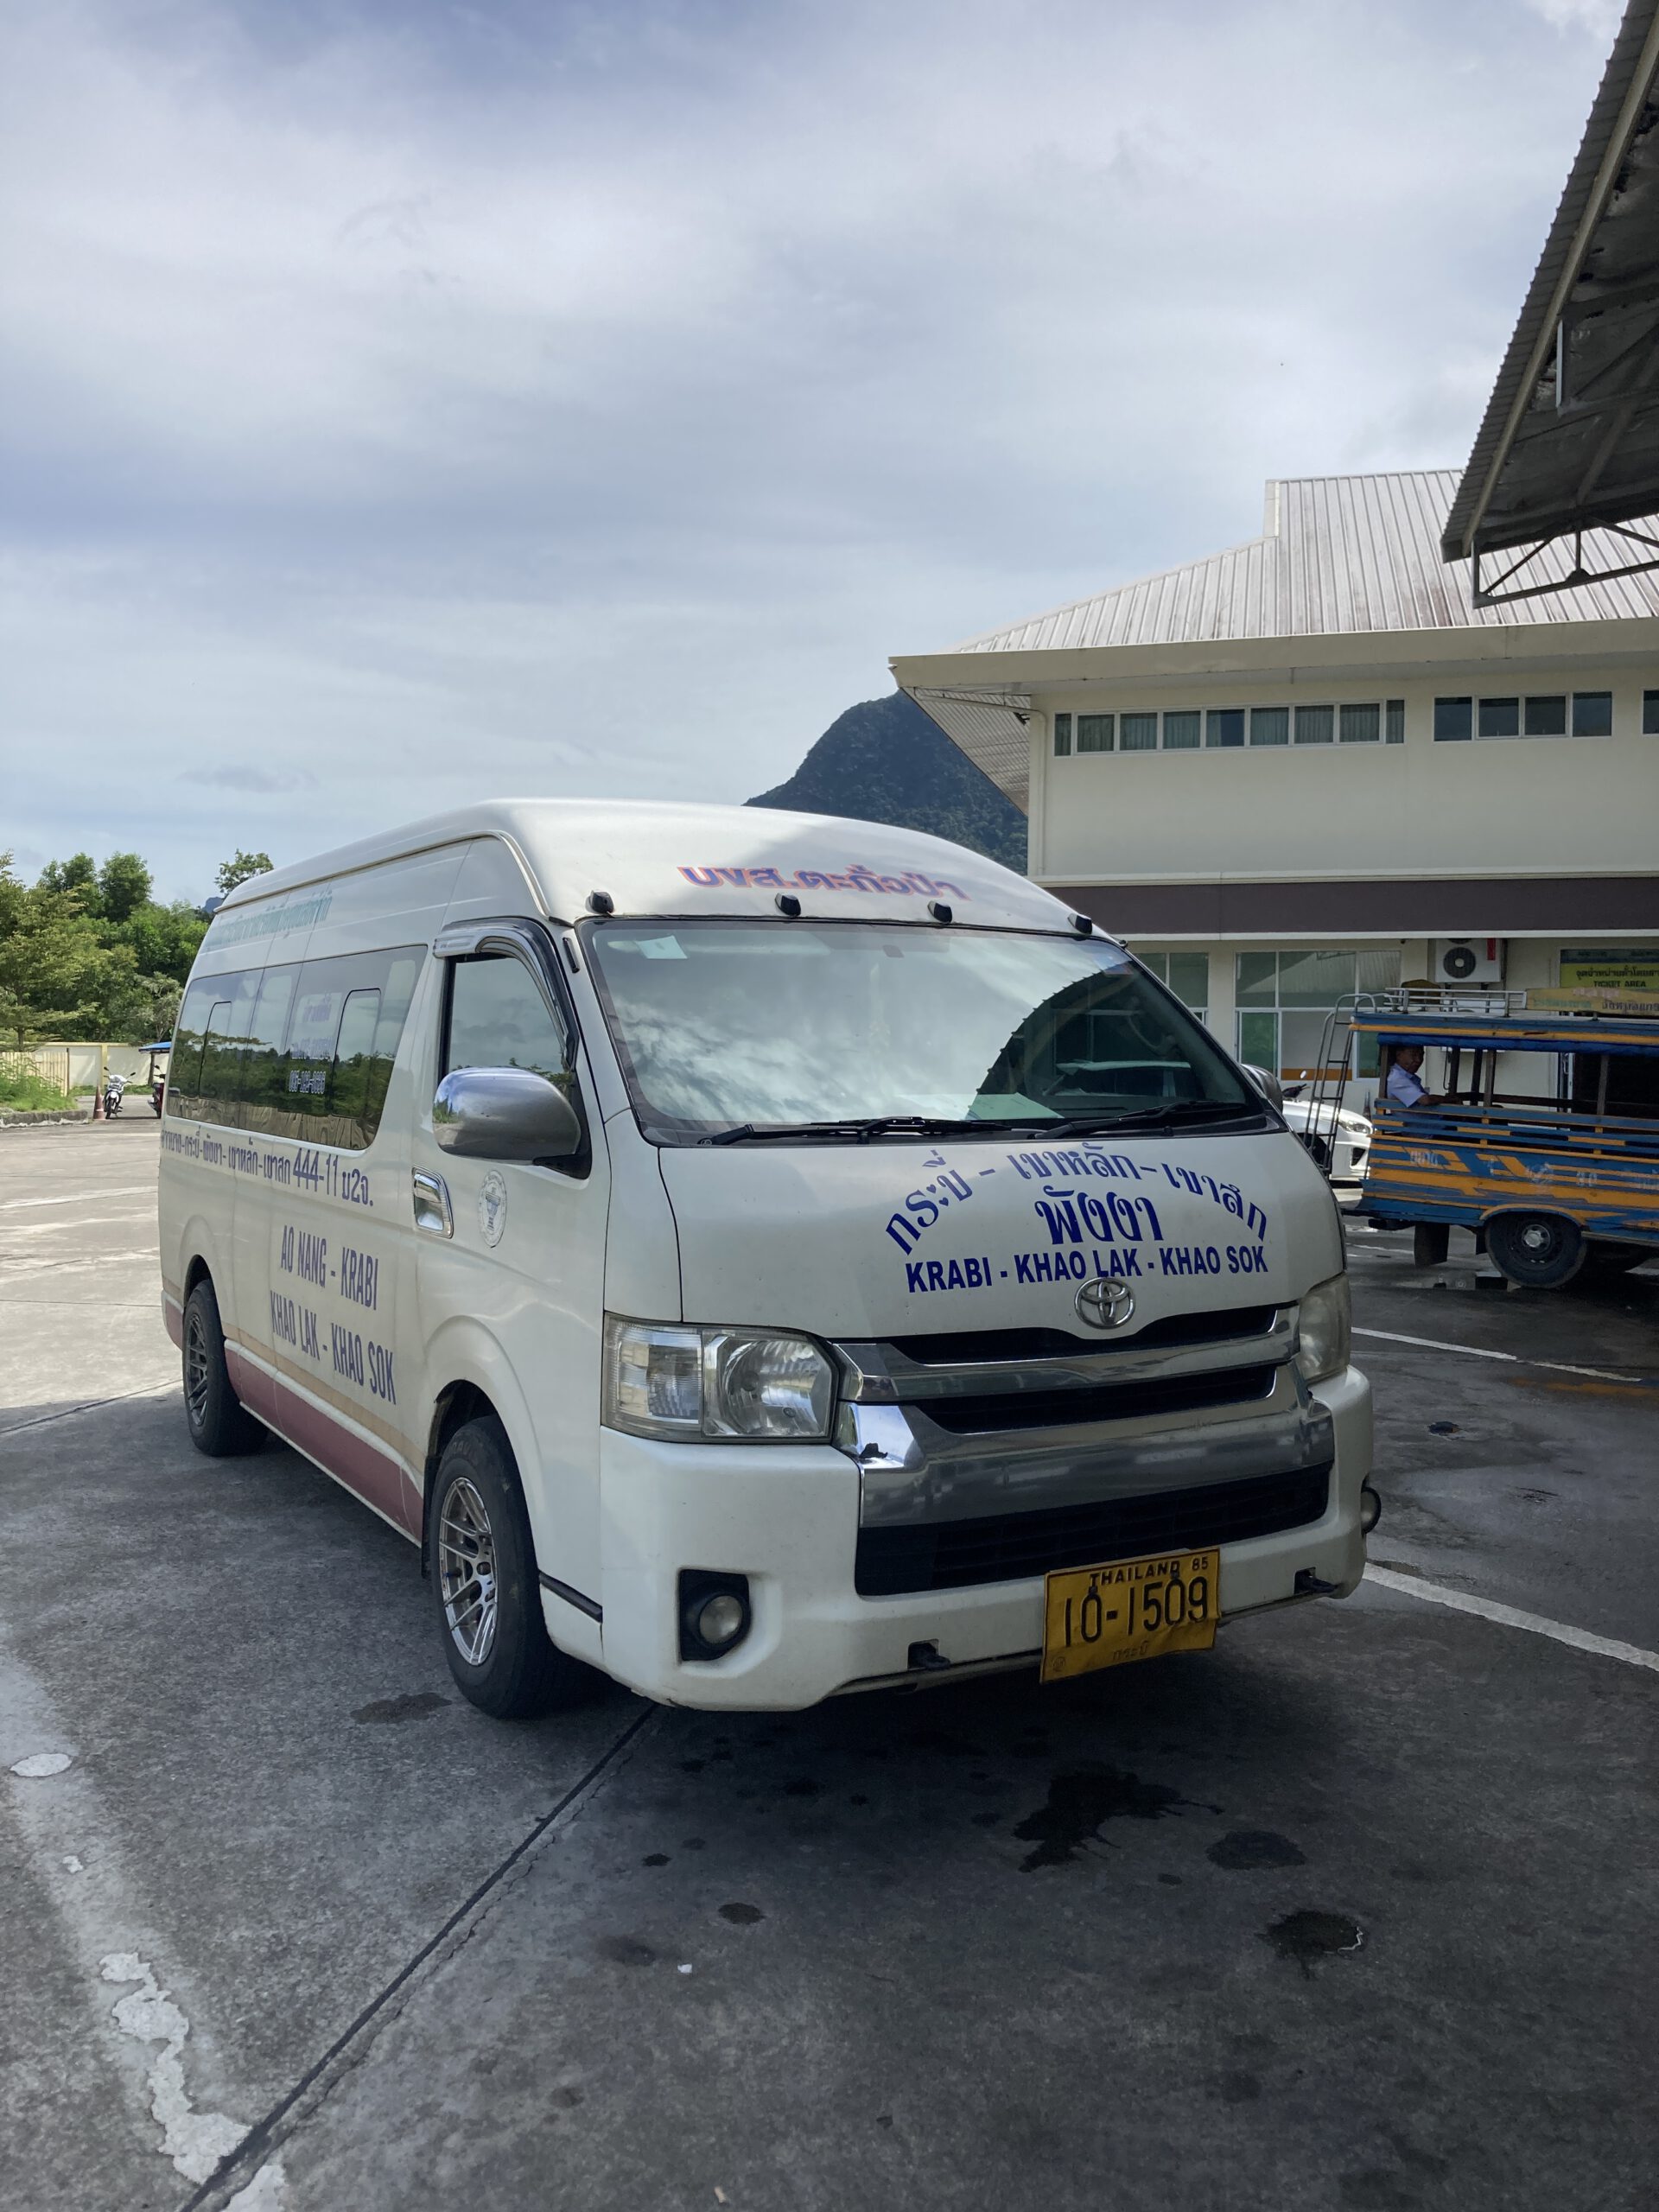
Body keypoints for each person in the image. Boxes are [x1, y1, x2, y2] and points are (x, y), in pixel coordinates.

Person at [1385, 1043, 1441, 1109]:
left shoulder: (1408, 1077)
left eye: (1421, 1055)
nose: (1418, 1060)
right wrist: (1450, 1099)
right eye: (1414, 1055)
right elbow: (1425, 1100)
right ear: (1399, 1055)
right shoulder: (1396, 1078)